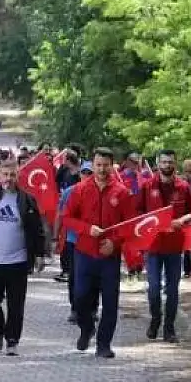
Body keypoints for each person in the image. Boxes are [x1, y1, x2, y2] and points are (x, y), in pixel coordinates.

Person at [61, 148, 136, 358]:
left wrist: (114, 242)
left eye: (105, 165)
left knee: (110, 302)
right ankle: (86, 328)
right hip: (84, 253)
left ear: (112, 166)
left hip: (109, 257)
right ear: (92, 165)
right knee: (81, 297)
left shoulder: (122, 192)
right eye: (98, 165)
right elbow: (67, 218)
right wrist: (87, 229)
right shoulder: (80, 189)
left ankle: (104, 344)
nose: (101, 169)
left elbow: (128, 225)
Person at [0, 159, 46, 356]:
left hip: (18, 262)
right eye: (5, 175)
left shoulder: (27, 200)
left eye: (12, 175)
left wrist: (39, 254)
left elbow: (37, 229)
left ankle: (12, 339)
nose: (9, 179)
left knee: (16, 305)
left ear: (18, 176)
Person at [138, 150, 191, 343]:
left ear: (175, 163)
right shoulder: (147, 186)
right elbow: (138, 212)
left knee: (172, 290)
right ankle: (155, 319)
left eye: (170, 162)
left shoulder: (183, 187)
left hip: (175, 245)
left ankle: (169, 328)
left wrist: (182, 219)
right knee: (154, 288)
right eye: (164, 162)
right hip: (153, 246)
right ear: (158, 163)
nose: (167, 165)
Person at [56, 161, 92, 322]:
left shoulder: (98, 192)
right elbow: (60, 214)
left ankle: (91, 308)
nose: (87, 176)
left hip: (92, 241)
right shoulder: (69, 192)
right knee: (74, 276)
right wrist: (55, 237)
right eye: (84, 172)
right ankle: (75, 308)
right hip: (73, 241)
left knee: (92, 277)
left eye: (90, 173)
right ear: (80, 174)